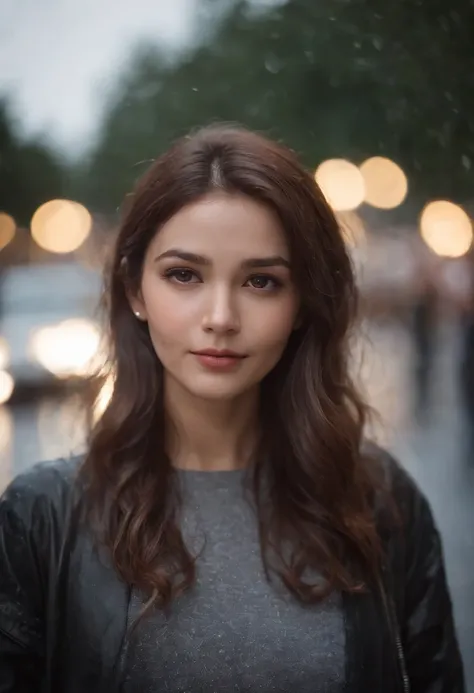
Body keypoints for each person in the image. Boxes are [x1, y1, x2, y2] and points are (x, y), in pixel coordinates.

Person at [0, 125, 464, 692]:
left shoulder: (381, 506)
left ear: (303, 304)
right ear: (135, 291)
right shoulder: (40, 519)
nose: (221, 316)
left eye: (261, 281)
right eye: (184, 275)